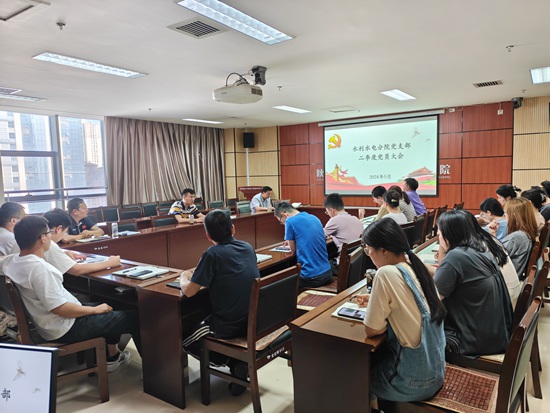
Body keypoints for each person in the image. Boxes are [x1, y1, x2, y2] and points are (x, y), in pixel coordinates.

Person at [1, 216, 141, 372]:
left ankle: (112, 358)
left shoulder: (13, 261)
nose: (51, 236)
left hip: (52, 323)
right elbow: (60, 308)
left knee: (114, 304)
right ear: (42, 238)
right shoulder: (40, 270)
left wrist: (64, 252)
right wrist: (94, 310)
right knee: (136, 318)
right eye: (49, 233)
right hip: (66, 327)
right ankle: (154, 373)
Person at [353, 219, 446, 405]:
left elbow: (372, 330)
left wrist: (378, 309)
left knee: (355, 376)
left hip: (413, 382)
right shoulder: (414, 265)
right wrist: (376, 300)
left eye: (368, 251)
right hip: (436, 372)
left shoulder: (385, 273)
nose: (369, 256)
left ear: (384, 251)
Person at [179, 210, 259, 396]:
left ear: (208, 236)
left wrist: (184, 276)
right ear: (233, 228)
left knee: (182, 337)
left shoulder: (212, 254)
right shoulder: (247, 247)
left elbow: (189, 292)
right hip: (253, 320)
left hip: (229, 326)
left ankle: (234, 363)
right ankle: (237, 362)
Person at [434, 210, 513, 356]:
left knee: (412, 331)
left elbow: (432, 299)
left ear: (449, 235)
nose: (438, 238)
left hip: (471, 341)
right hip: (495, 334)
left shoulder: (455, 257)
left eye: (439, 234)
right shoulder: (479, 249)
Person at [43, 208, 122, 275]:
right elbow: (77, 270)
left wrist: (64, 253)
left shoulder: (40, 240)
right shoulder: (49, 244)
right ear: (58, 229)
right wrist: (110, 263)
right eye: (64, 232)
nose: (63, 235)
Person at [274, 202, 332, 288]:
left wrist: (291, 241)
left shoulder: (290, 221)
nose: (283, 224)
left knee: (280, 283)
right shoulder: (313, 217)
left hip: (312, 278)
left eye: (281, 222)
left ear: (284, 215)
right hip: (327, 272)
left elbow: (293, 250)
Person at [492, 197, 538, 276]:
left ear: (513, 215)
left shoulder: (517, 237)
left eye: (505, 213)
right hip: (506, 277)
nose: (504, 216)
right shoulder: (525, 234)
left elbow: (493, 258)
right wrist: (493, 233)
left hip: (502, 279)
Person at [323, 193, 363, 273]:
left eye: (327, 212)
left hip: (342, 266)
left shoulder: (334, 220)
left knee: (321, 264)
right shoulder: (355, 219)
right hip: (357, 264)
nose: (328, 214)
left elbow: (319, 236)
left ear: (331, 210)